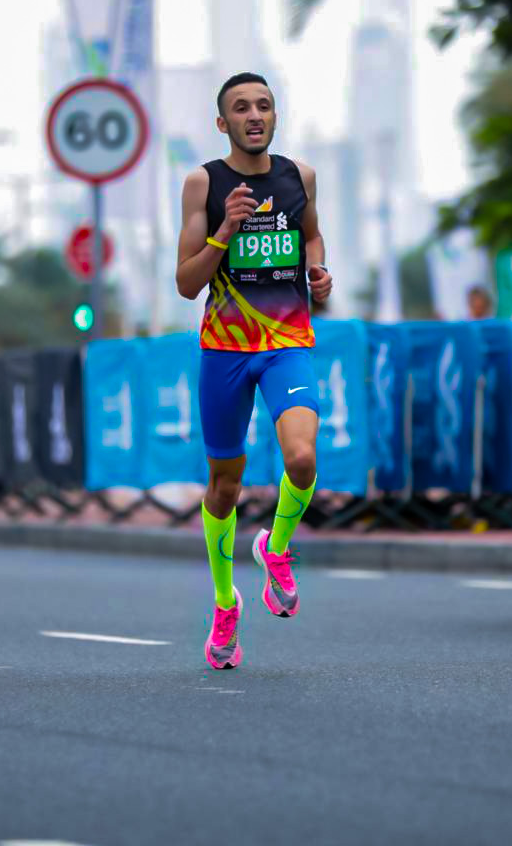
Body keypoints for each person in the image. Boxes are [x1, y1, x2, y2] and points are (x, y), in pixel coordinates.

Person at [175, 72, 332, 670]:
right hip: (224, 352)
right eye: (241, 108)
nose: (254, 115)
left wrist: (318, 270)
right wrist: (225, 229)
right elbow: (187, 282)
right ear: (224, 124)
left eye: (264, 105)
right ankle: (224, 604)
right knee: (224, 487)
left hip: (288, 342)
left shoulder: (300, 178)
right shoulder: (204, 183)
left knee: (301, 458)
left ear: (275, 116)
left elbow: (312, 238)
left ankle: (276, 546)